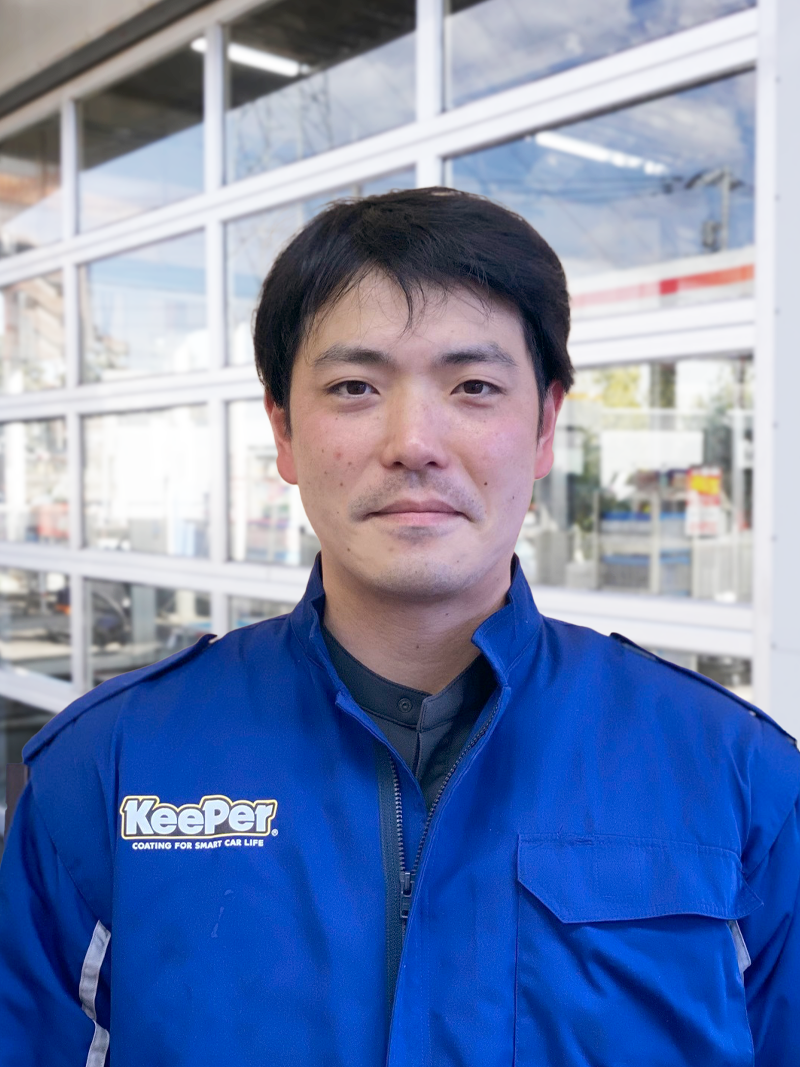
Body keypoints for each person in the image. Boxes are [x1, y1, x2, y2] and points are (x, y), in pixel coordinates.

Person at [0, 187, 797, 1067]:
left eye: (474, 386)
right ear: (283, 430)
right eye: (355, 386)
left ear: (545, 427)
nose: (414, 441)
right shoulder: (108, 769)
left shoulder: (739, 775)